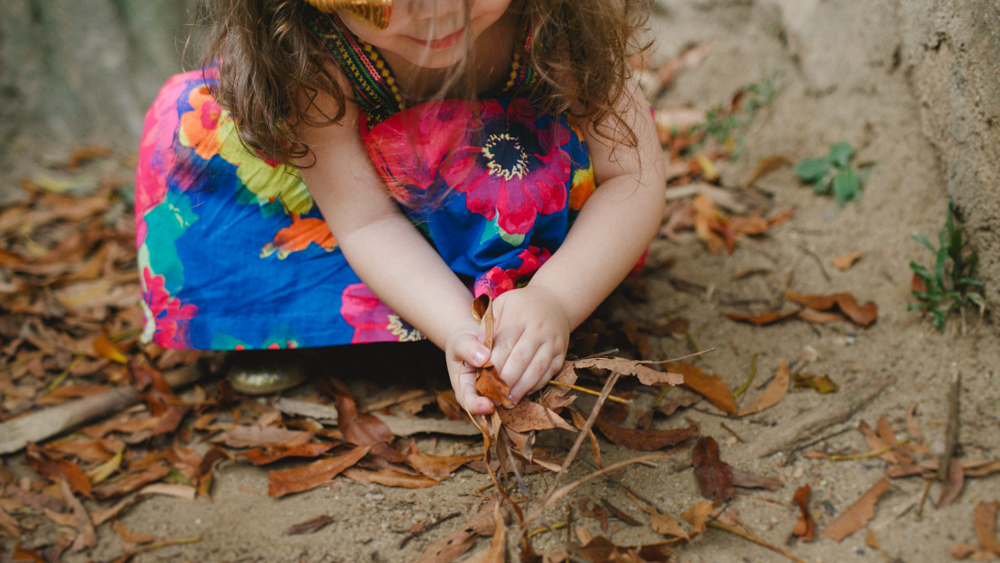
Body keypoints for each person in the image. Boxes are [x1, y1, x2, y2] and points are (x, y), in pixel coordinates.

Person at [135, 0, 665, 415]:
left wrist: (558, 298)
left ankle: (536, 302)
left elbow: (633, 179)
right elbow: (365, 221)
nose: (436, 12)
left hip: (517, 200)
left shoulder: (559, 23)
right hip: (361, 221)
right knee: (188, 134)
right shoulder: (310, 56)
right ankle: (284, 322)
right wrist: (458, 330)